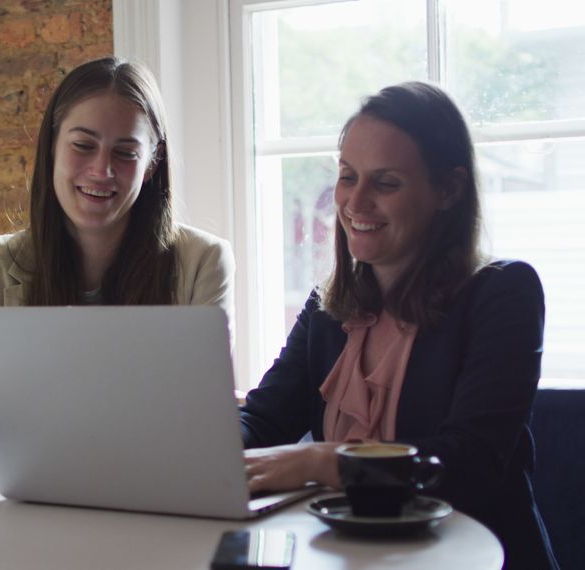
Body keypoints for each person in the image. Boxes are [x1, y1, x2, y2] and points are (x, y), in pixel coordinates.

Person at [239, 82, 558, 569]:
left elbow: (468, 464)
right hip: (344, 557)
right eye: (347, 176)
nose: (354, 202)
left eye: (385, 183)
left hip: (472, 557)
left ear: (448, 190)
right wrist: (189, 447)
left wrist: (320, 460)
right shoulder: (326, 307)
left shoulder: (503, 293)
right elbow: (262, 420)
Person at [0, 57, 234, 467]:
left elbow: (194, 415)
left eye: (126, 153)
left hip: (153, 493)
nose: (101, 170)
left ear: (152, 165)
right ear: (52, 146)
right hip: (28, 505)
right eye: (83, 145)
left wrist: (31, 439)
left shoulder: (204, 263)